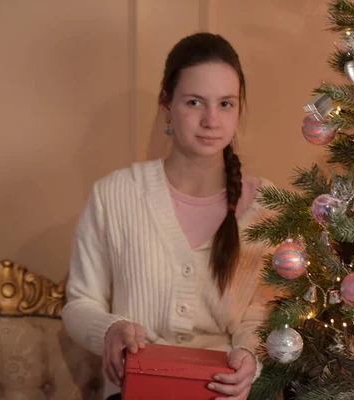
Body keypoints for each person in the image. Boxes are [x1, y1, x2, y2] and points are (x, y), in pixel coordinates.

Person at [62, 33, 275, 400]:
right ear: (167, 105)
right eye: (195, 102)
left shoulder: (266, 205)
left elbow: (265, 313)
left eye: (226, 104)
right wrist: (111, 329)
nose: (211, 120)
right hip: (136, 391)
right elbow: (79, 303)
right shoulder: (115, 195)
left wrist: (250, 357)